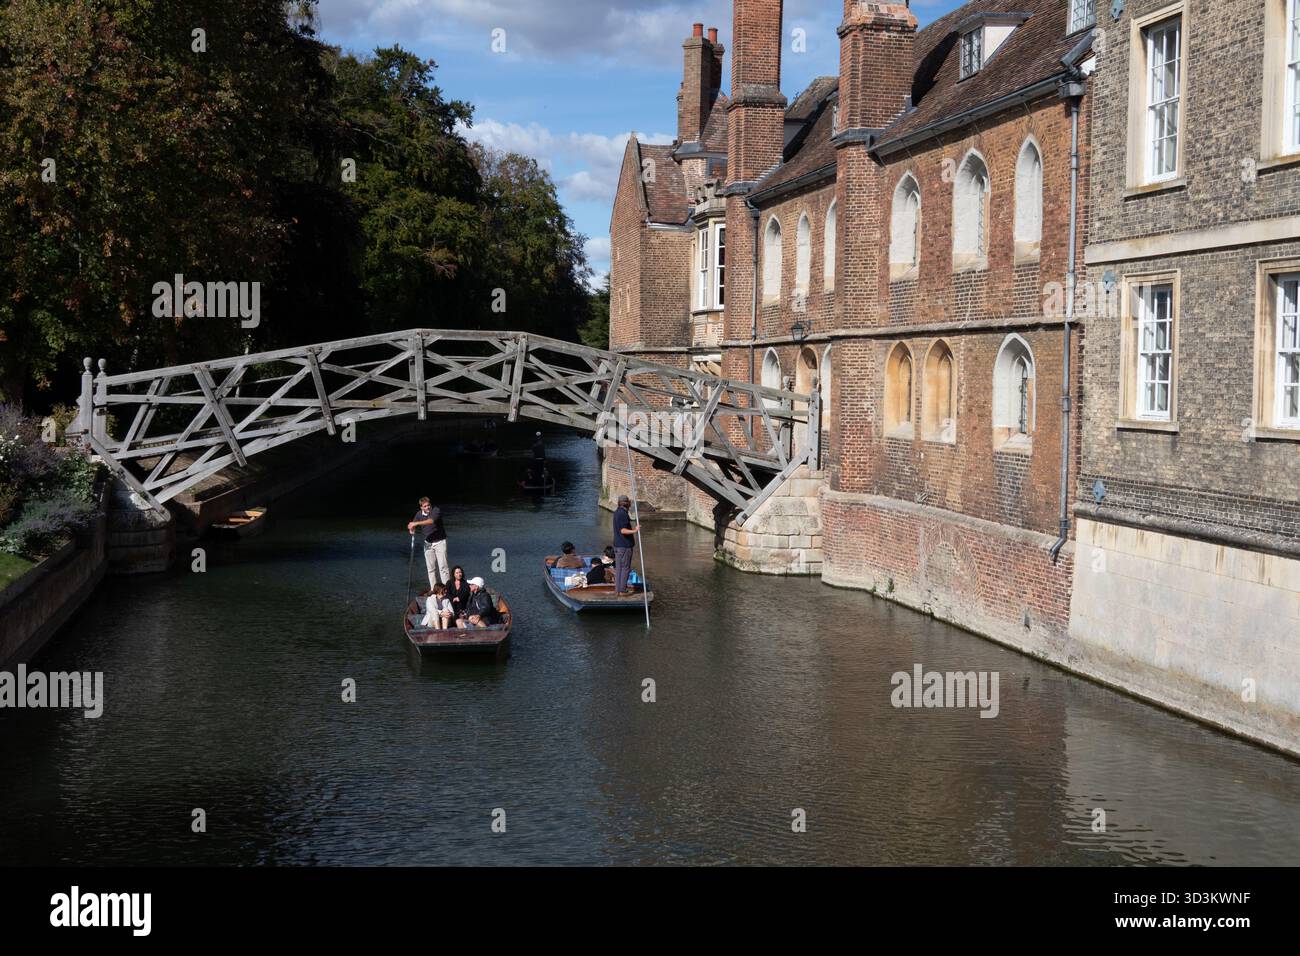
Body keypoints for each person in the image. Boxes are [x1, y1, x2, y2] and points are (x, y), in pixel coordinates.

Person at [407, 497, 449, 589]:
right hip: (428, 543)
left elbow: (431, 521)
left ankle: (447, 589)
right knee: (431, 569)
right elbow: (412, 525)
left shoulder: (435, 510)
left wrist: (416, 524)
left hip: (440, 542)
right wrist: (411, 529)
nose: (427, 507)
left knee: (443, 567)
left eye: (428, 505)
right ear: (421, 507)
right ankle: (434, 589)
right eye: (425, 506)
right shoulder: (419, 514)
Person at [612, 493, 640, 595]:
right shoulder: (623, 514)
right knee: (625, 568)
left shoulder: (617, 512)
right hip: (624, 546)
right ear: (626, 503)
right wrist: (635, 530)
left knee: (619, 568)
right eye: (629, 502)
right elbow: (623, 530)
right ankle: (622, 590)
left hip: (617, 545)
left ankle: (618, 590)